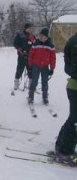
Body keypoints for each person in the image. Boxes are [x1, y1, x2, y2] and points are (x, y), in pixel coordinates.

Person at [54, 33, 77, 166]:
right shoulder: (75, 42)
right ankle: (64, 151)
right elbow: (71, 67)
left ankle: (61, 146)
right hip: (75, 86)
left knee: (74, 119)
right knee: (75, 120)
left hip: (73, 85)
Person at [27, 28, 56, 105]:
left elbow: (53, 58)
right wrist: (30, 66)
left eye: (44, 36)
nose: (42, 37)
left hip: (45, 67)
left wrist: (52, 68)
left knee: (45, 82)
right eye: (41, 36)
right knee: (34, 81)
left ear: (47, 37)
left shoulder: (50, 45)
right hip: (36, 66)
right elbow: (31, 55)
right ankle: (30, 97)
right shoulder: (35, 44)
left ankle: (45, 97)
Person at [13, 23, 36, 90]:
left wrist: (34, 41)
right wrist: (19, 49)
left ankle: (30, 84)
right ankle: (16, 83)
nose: (30, 29)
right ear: (25, 28)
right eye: (29, 28)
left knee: (30, 70)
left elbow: (35, 45)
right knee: (19, 69)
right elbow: (15, 43)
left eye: (31, 28)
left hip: (30, 57)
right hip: (22, 56)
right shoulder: (20, 35)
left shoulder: (32, 36)